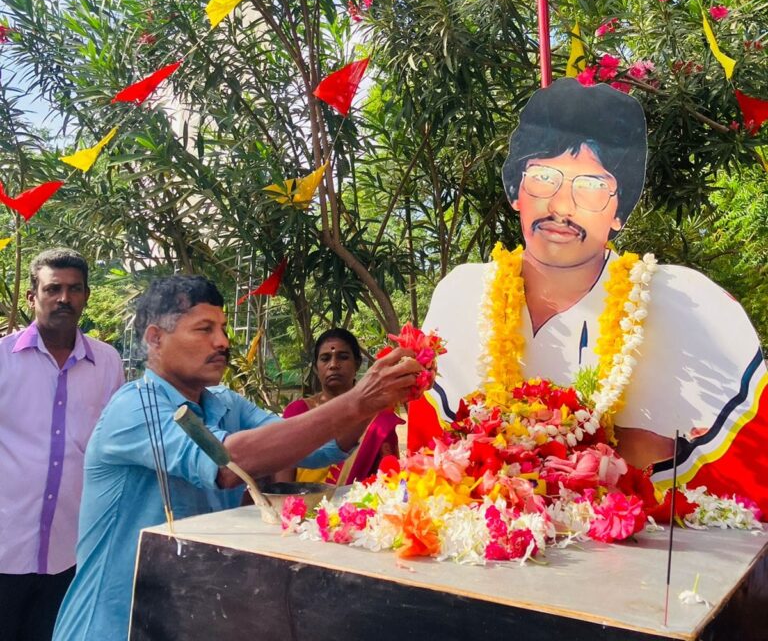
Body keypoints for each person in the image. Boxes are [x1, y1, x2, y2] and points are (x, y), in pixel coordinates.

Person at [409, 78, 768, 513]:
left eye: (592, 187)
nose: (562, 207)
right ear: (515, 191)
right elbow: (432, 470)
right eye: (543, 178)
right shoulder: (460, 295)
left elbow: (743, 490)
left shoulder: (687, 305)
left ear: (620, 211)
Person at [53, 275, 420, 641]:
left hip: (185, 619)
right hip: (113, 627)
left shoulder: (225, 403)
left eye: (223, 329)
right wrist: (357, 401)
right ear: (155, 339)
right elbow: (225, 463)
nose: (223, 342)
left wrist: (377, 401)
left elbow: (315, 449)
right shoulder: (135, 407)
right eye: (204, 329)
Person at [0, 249, 124, 641]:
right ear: (31, 296)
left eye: (74, 289)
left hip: (72, 552)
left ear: (86, 295)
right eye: (53, 289)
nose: (64, 298)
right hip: (5, 546)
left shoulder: (108, 363)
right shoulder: (2, 360)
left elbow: (113, 445)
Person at [277, 328, 399, 485]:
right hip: (301, 500)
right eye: (325, 358)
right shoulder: (298, 411)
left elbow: (389, 481)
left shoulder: (377, 418)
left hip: (359, 500)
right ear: (316, 368)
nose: (334, 365)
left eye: (343, 357)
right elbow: (282, 478)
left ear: (357, 364)